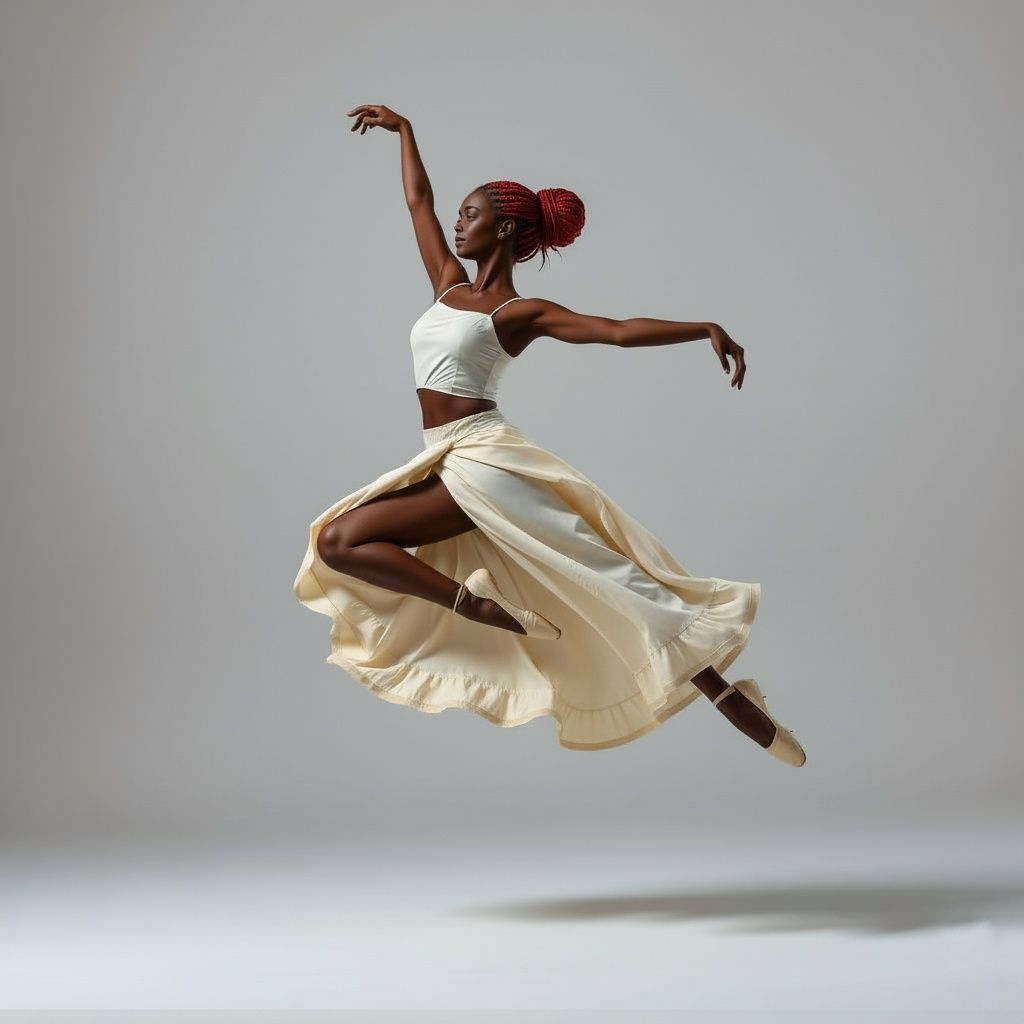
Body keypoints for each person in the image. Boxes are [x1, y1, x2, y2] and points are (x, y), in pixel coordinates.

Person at [292, 103, 806, 763]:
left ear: (504, 229)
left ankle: (732, 700)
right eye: (461, 214)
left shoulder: (520, 312)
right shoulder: (447, 285)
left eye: (472, 214)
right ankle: (474, 607)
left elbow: (615, 331)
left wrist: (701, 327)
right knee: (347, 542)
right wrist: (406, 130)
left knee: (608, 576)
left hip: (484, 459)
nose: (457, 221)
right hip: (446, 456)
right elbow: (418, 201)